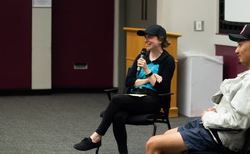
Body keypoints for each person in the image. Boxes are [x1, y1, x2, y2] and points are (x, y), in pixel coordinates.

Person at [145, 24, 250, 154]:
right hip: (214, 128)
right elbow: (237, 110)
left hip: (220, 136)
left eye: (240, 45)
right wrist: (217, 110)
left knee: (153, 144)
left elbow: (238, 121)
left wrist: (209, 116)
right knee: (167, 135)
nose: (236, 50)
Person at [74, 24, 175, 154]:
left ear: (160, 40)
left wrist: (146, 70)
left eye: (150, 37)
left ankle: (96, 137)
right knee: (117, 116)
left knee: (116, 99)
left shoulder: (168, 61)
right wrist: (149, 78)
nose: (146, 40)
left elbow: (162, 89)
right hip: (135, 97)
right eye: (145, 37)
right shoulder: (142, 56)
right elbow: (129, 81)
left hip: (153, 100)